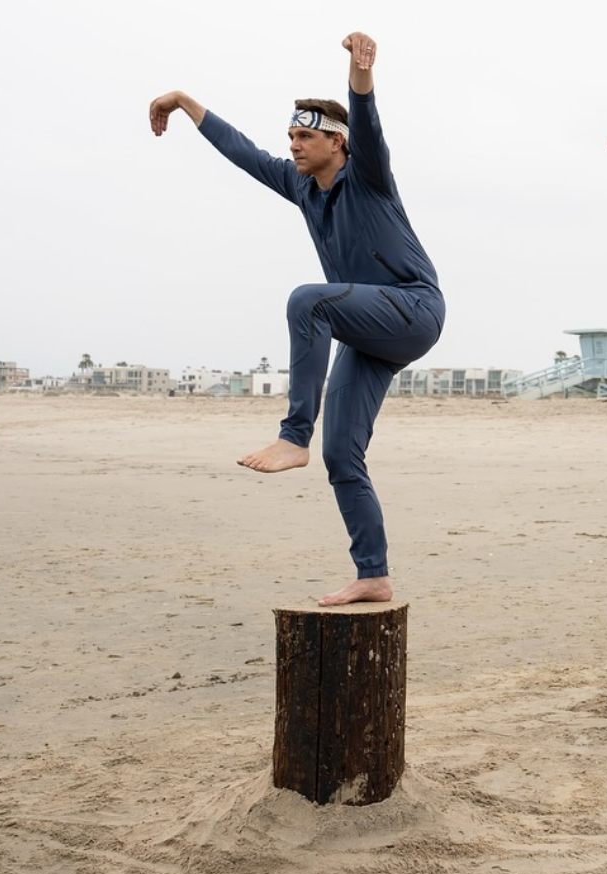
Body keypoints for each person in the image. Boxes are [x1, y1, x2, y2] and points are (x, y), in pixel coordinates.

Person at [148, 32, 445, 606]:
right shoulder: (301, 186)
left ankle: (292, 436)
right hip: (369, 332)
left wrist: (361, 72)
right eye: (290, 137)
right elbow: (242, 151)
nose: (293, 146)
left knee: (308, 299)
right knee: (342, 455)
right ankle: (373, 573)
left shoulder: (368, 175)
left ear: (337, 141)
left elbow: (367, 119)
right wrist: (185, 102)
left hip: (414, 308)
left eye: (305, 136)